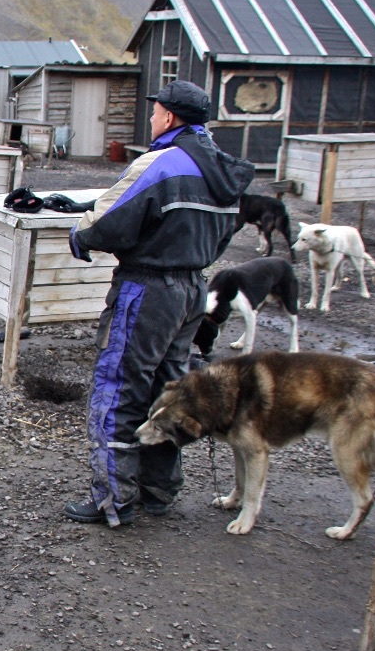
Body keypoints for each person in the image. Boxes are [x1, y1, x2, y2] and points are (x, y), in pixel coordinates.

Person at [63, 80, 254, 528]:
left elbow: (109, 221)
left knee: (119, 388)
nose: (151, 119)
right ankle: (158, 490)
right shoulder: (225, 169)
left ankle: (114, 498)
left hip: (147, 288)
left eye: (155, 113)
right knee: (171, 389)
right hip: (192, 289)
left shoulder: (161, 162)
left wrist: (80, 234)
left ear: (168, 117)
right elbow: (226, 230)